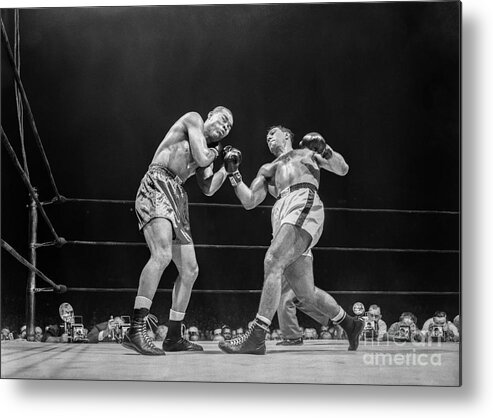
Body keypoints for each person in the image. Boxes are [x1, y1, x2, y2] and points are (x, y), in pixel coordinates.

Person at [218, 126, 363, 354]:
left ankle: (257, 336)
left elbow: (342, 168)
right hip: (282, 213)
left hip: (303, 201)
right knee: (306, 293)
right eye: (266, 136)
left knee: (273, 260)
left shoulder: (305, 153)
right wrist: (233, 174)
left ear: (286, 135)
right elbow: (249, 200)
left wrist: (325, 151)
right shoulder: (268, 169)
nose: (268, 137)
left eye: (272, 133)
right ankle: (350, 324)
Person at [123, 106, 234, 356]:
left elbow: (207, 188)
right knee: (161, 255)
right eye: (224, 119)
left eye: (229, 127)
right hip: (159, 182)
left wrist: (226, 169)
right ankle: (136, 328)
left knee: (190, 270)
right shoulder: (192, 120)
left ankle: (173, 336)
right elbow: (204, 158)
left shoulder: (206, 149)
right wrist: (216, 153)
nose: (225, 127)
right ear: (210, 115)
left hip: (177, 195)